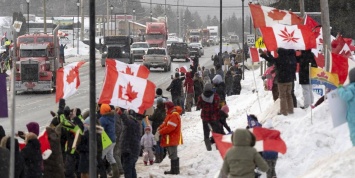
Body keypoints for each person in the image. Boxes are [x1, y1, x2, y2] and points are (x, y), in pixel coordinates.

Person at [261, 48, 297, 116]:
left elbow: (271, 60)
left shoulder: (278, 60)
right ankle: (290, 109)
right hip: (289, 80)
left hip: (282, 81)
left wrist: (267, 55)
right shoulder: (290, 59)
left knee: (282, 96)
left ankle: (283, 111)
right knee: (289, 95)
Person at [155, 102, 183, 175]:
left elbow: (170, 127)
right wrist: (160, 128)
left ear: (168, 107)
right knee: (171, 154)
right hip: (170, 138)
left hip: (172, 138)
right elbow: (165, 123)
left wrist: (160, 132)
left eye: (165, 107)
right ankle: (174, 170)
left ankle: (175, 171)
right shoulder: (170, 114)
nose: (164, 108)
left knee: (173, 154)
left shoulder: (173, 115)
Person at [197, 83, 224, 151]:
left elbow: (199, 105)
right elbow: (218, 105)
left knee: (206, 133)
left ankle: (208, 148)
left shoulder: (201, 97)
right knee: (216, 132)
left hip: (205, 118)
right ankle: (218, 146)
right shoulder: (215, 96)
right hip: (214, 117)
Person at [99, 104, 119, 178]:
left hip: (107, 141)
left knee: (100, 157)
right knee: (110, 156)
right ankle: (116, 174)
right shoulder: (112, 117)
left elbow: (99, 129)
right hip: (113, 140)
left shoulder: (103, 119)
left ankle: (102, 174)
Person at [120, 109, 141, 178]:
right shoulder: (136, 124)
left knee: (128, 169)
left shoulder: (130, 123)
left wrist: (120, 113)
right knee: (132, 168)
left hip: (129, 150)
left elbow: (126, 121)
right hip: (133, 150)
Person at [338, 67, 355, 146]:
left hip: (353, 116)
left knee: (353, 132)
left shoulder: (351, 88)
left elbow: (345, 96)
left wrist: (340, 89)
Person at [149, 98, 167, 163]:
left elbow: (153, 118)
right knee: (161, 143)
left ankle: (158, 158)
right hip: (162, 127)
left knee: (157, 143)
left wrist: (148, 116)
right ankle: (161, 157)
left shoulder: (157, 110)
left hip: (157, 128)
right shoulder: (164, 110)